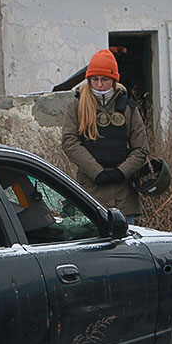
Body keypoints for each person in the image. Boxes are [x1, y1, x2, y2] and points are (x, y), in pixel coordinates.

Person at [62, 49, 149, 224]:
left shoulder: (128, 109)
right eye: (94, 79)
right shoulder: (77, 106)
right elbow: (70, 142)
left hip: (124, 197)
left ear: (114, 80)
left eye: (105, 79)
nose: (99, 85)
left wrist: (121, 172)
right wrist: (96, 172)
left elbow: (141, 148)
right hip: (90, 193)